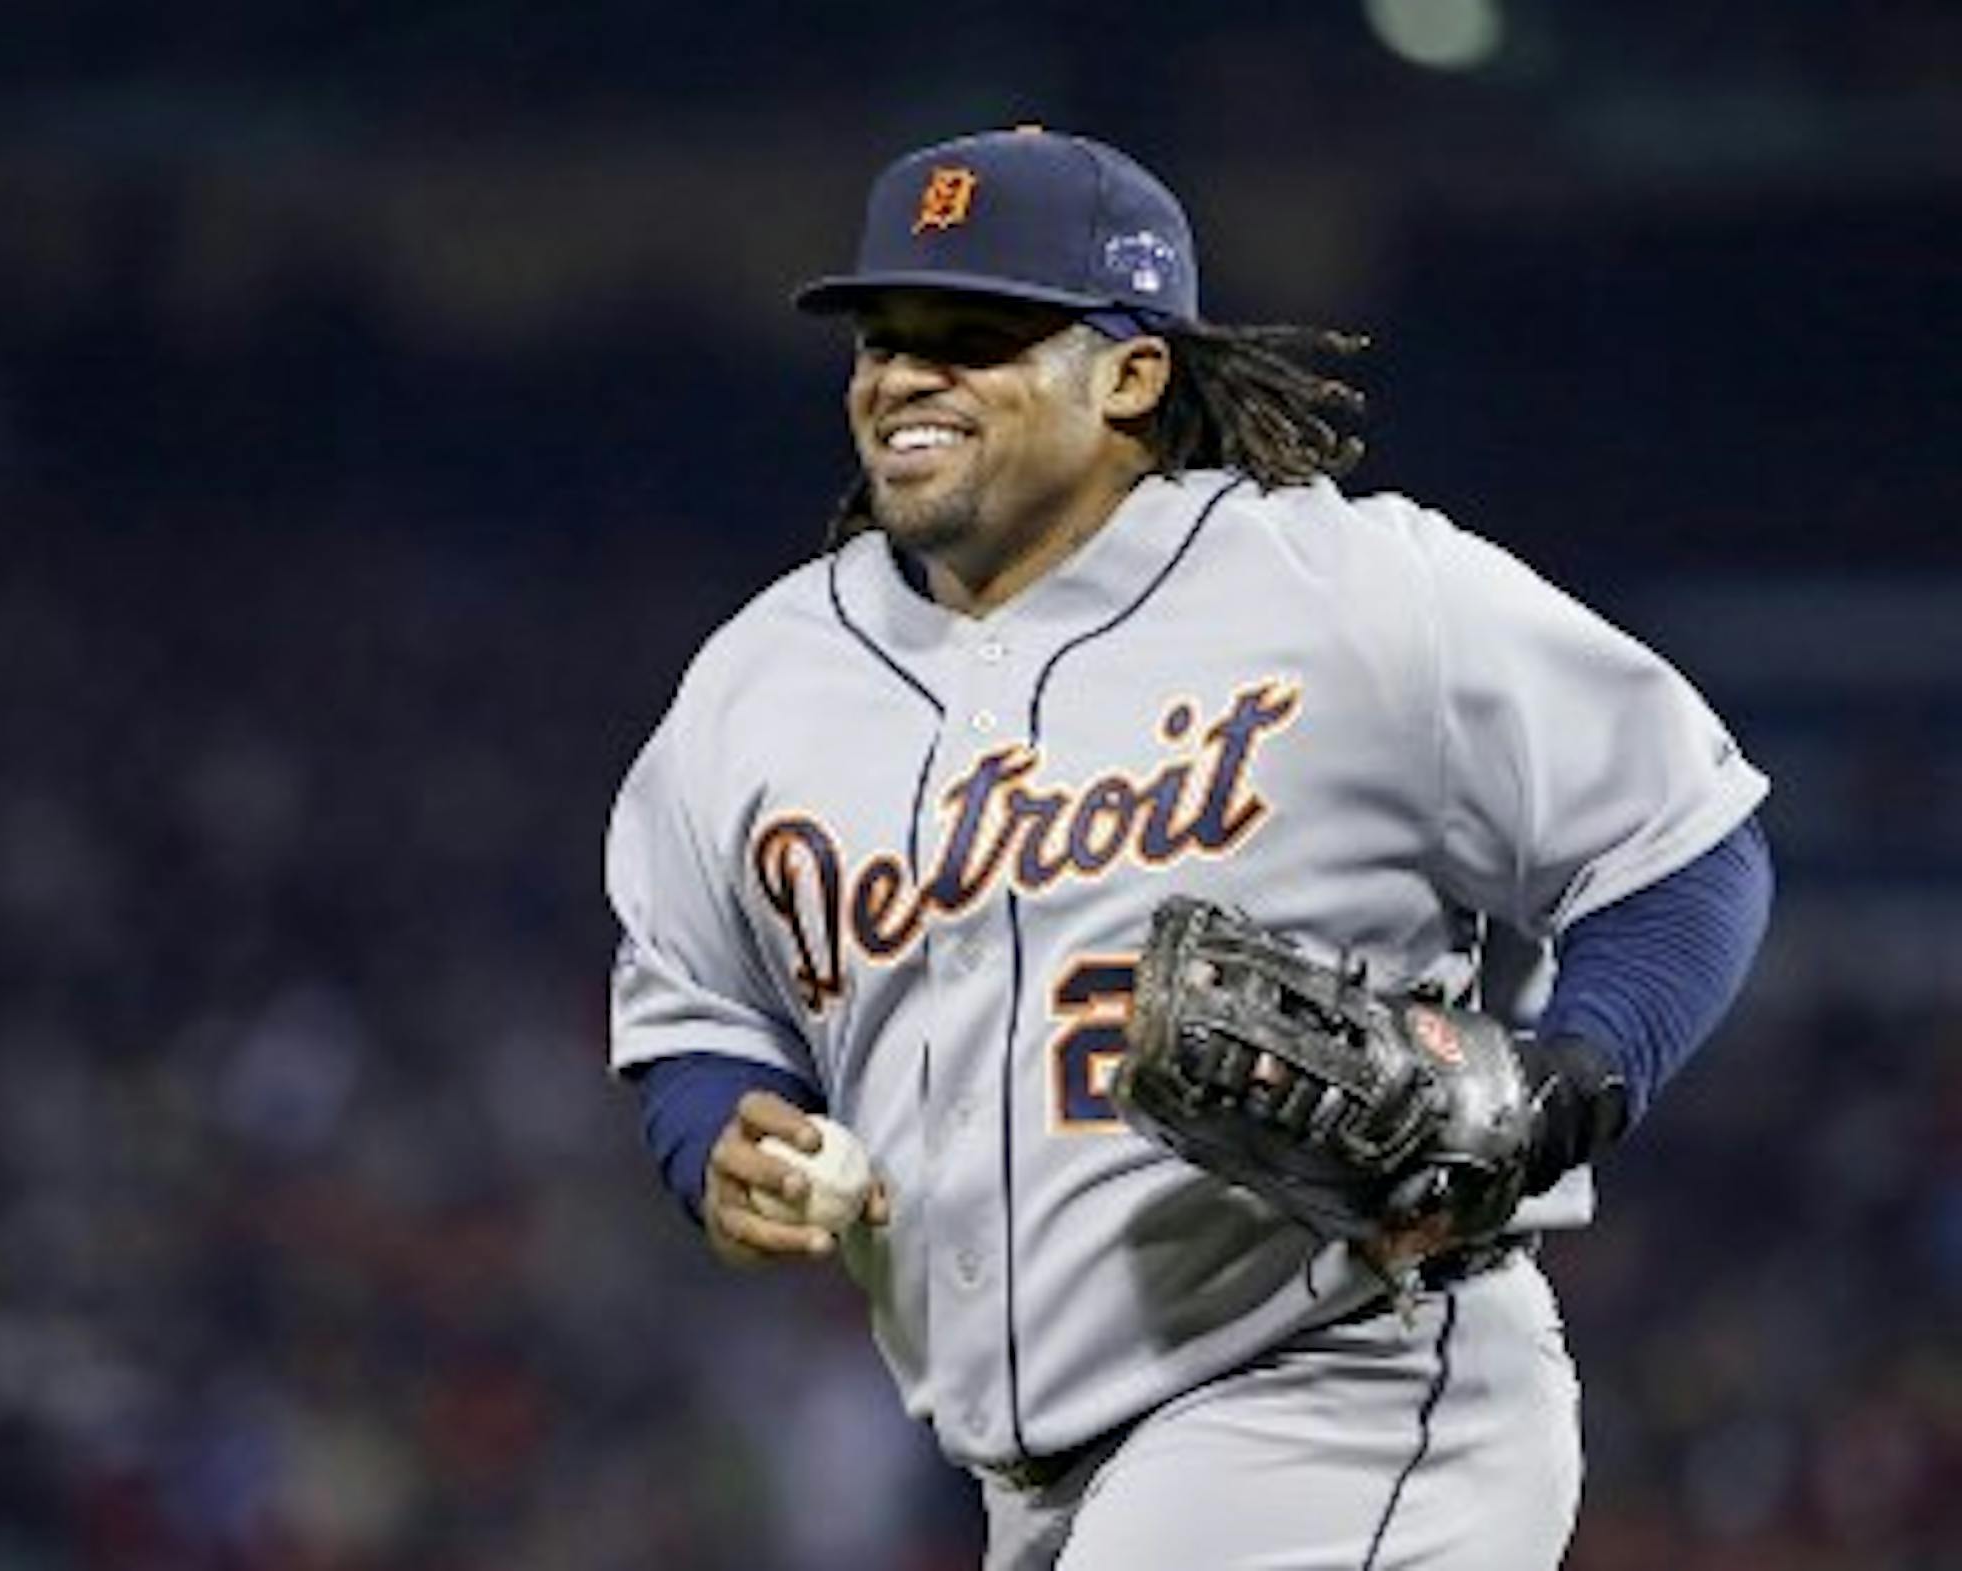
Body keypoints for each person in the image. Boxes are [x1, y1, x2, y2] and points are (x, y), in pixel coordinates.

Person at [605, 126, 1772, 1569]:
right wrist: (720, 1133)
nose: (904, 376)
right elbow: (696, 999)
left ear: (1133, 374)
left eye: (972, 337)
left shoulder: (1350, 590)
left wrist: (1568, 1084)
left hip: (1340, 1390)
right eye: (882, 338)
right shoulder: (762, 676)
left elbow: (1684, 842)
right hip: (1028, 1480)